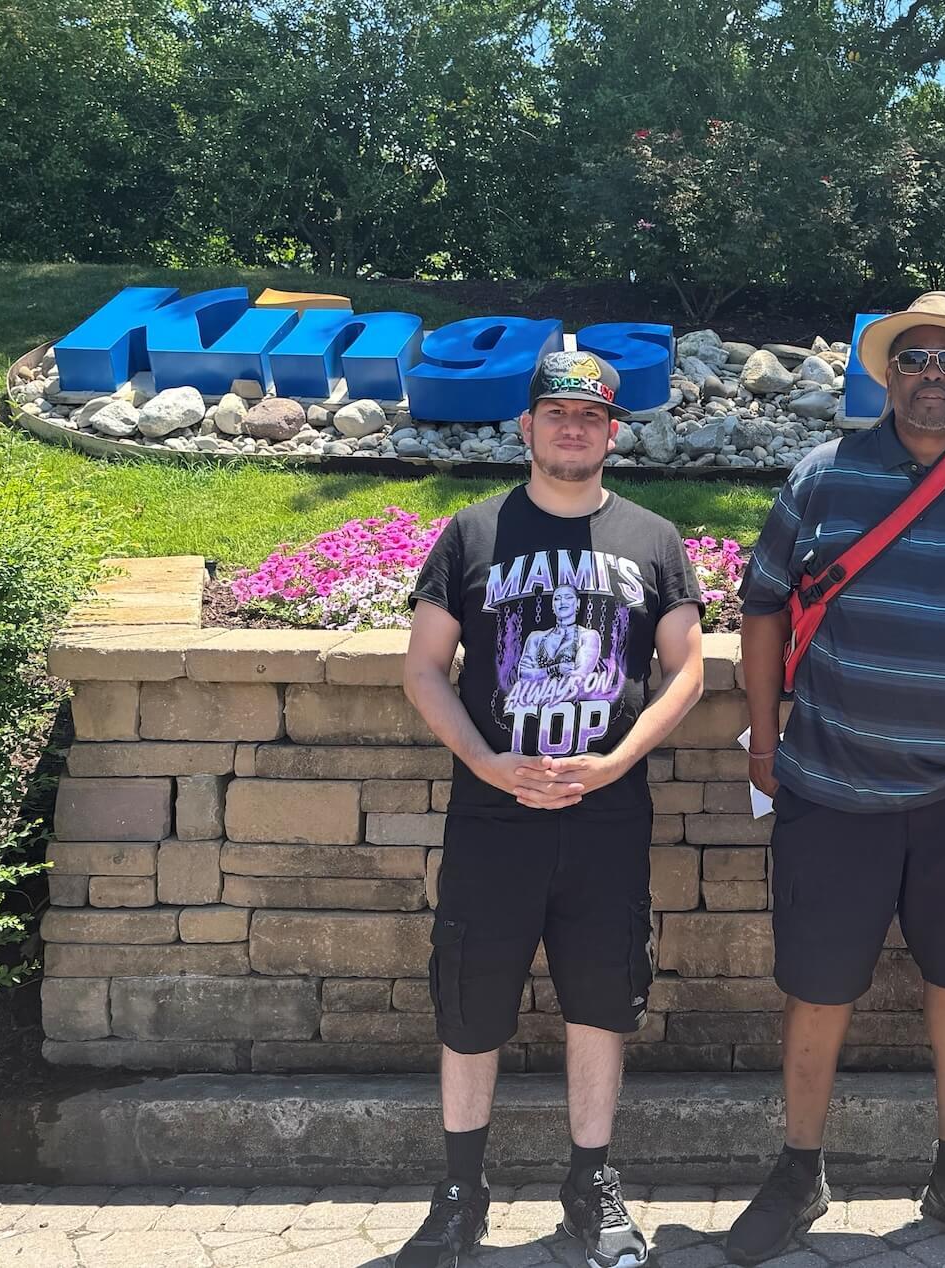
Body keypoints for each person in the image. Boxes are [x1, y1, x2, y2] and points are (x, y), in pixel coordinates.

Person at [728, 292, 945, 1265]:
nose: (933, 375)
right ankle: (798, 1169)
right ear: (888, 374)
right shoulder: (821, 478)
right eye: (915, 357)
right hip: (831, 788)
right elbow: (762, 607)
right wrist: (763, 736)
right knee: (815, 987)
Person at [398, 349, 706, 1268]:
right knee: (469, 1003)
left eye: (591, 415)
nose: (573, 427)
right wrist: (488, 762)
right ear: (526, 427)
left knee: (602, 999)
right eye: (556, 412)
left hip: (606, 817)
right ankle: (459, 1196)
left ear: (614, 432)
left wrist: (618, 759)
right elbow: (423, 668)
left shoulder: (653, 539)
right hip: (493, 817)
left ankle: (590, 1184)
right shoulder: (472, 534)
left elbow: (688, 669)